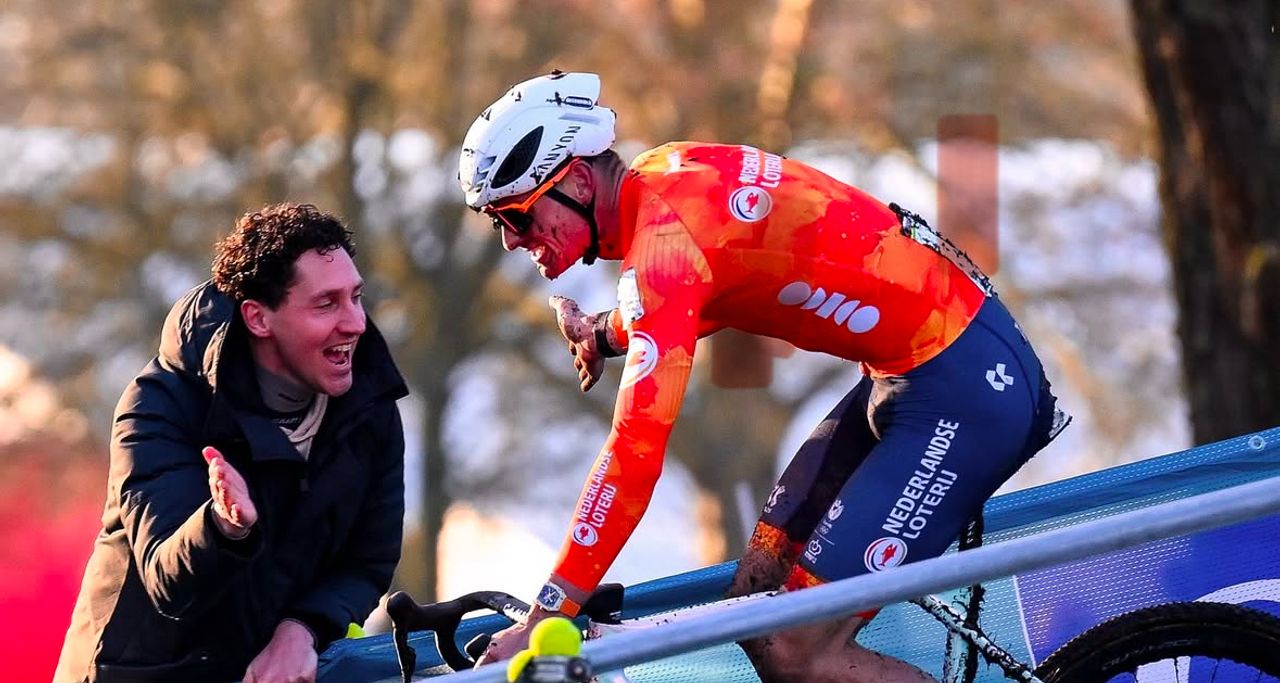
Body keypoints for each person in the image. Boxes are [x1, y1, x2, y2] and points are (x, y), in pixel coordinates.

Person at [458, 72, 1068, 683]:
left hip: (962, 392)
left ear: (580, 181)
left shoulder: (667, 245)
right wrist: (607, 333)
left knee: (796, 650)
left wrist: (548, 613)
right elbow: (707, 293)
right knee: (757, 593)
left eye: (520, 215)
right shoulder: (661, 176)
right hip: (912, 373)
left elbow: (636, 450)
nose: (513, 241)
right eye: (499, 223)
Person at [54, 203, 409, 683]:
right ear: (258, 319)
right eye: (326, 304)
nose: (355, 324)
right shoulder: (160, 404)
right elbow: (168, 584)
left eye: (355, 297)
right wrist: (223, 529)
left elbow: (368, 561)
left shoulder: (371, 407)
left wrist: (300, 629)